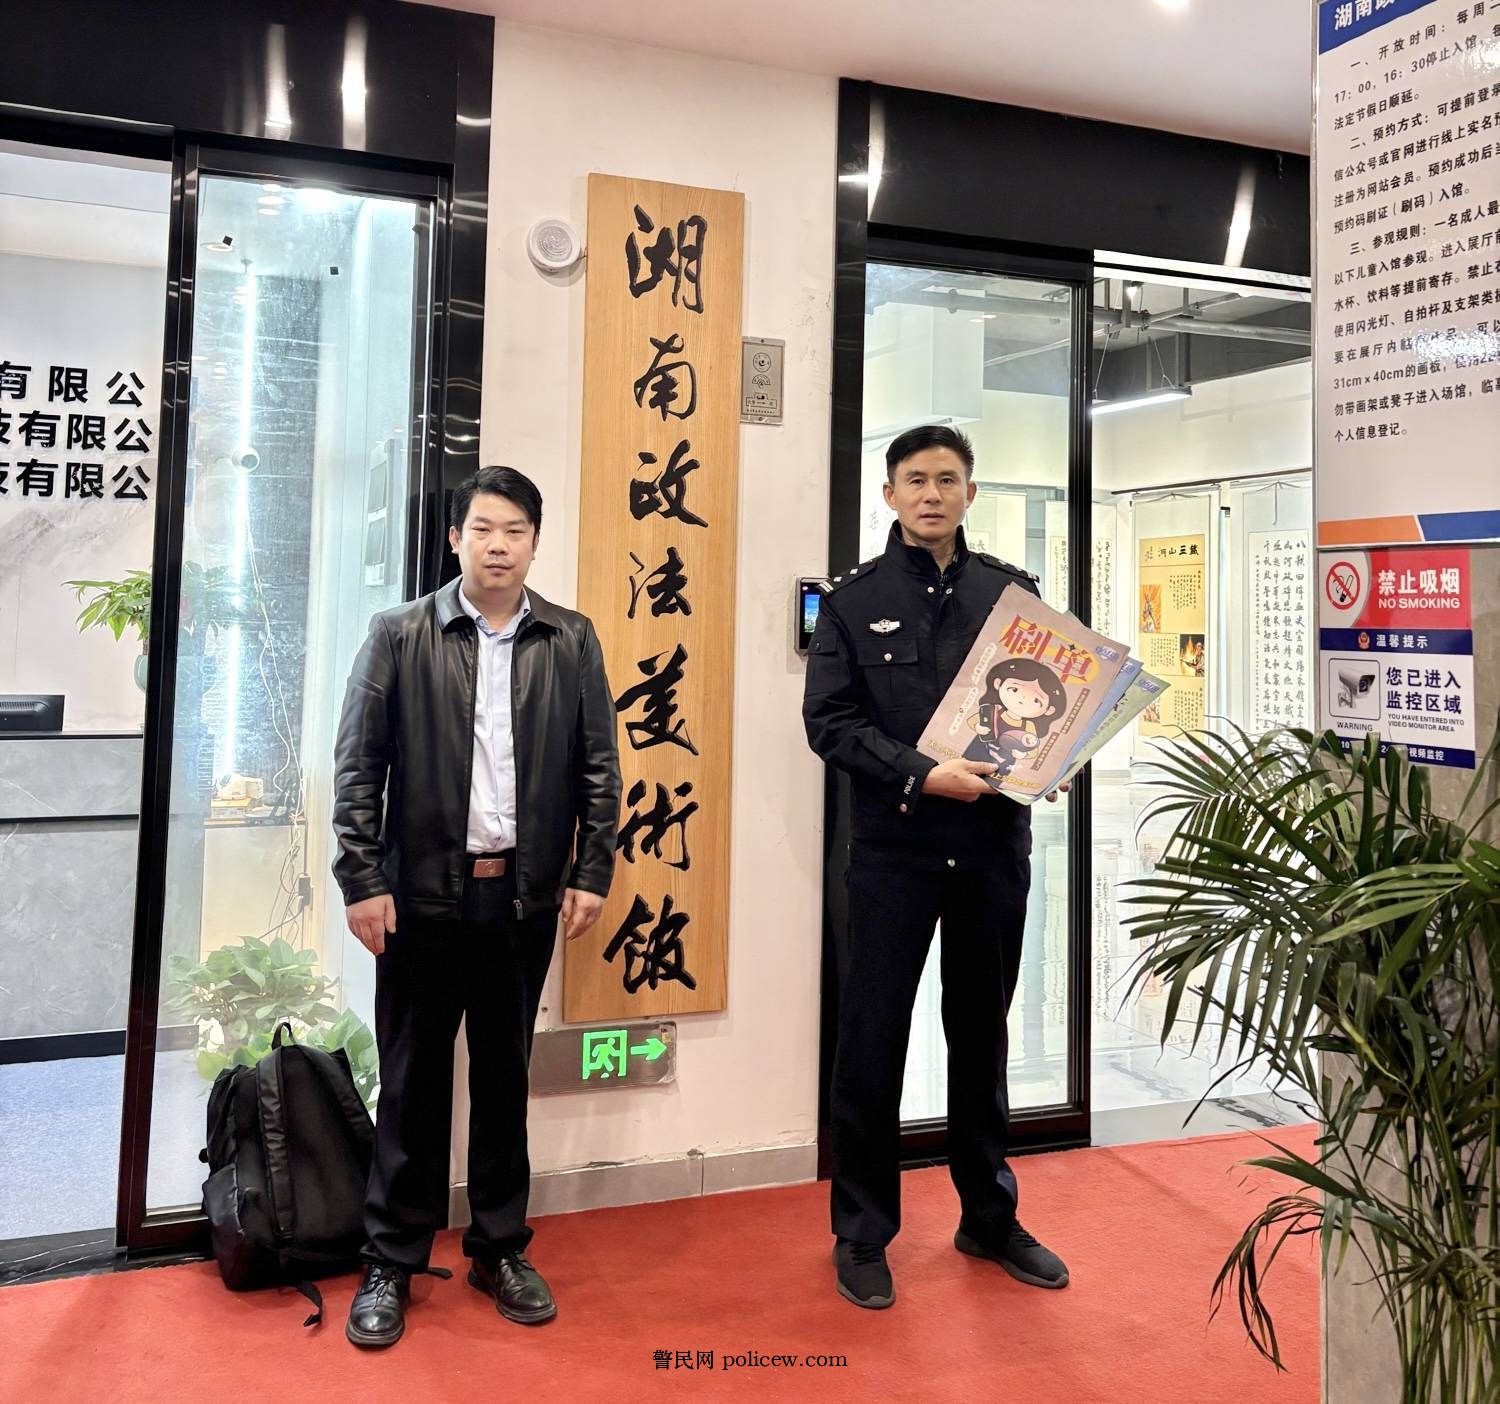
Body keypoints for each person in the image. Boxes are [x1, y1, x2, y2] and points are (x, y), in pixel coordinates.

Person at [332, 466, 622, 1348]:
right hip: (419, 898)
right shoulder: (399, 634)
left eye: (516, 531)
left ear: (534, 542)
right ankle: (392, 1257)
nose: (499, 546)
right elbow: (358, 767)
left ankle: (499, 1248)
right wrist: (361, 879)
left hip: (522, 898)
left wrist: (591, 871)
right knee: (412, 1080)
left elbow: (598, 768)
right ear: (456, 538)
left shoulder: (570, 639)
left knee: (504, 1077)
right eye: (484, 529)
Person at [802, 423, 1070, 1311]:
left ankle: (989, 1218)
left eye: (947, 479)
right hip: (894, 854)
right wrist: (922, 773)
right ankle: (862, 1231)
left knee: (982, 1036)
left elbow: (1050, 706)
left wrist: (1055, 761)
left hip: (992, 850)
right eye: (915, 480)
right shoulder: (853, 601)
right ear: (889, 494)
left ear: (970, 493)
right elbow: (830, 724)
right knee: (871, 1042)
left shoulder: (1013, 595)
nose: (931, 494)